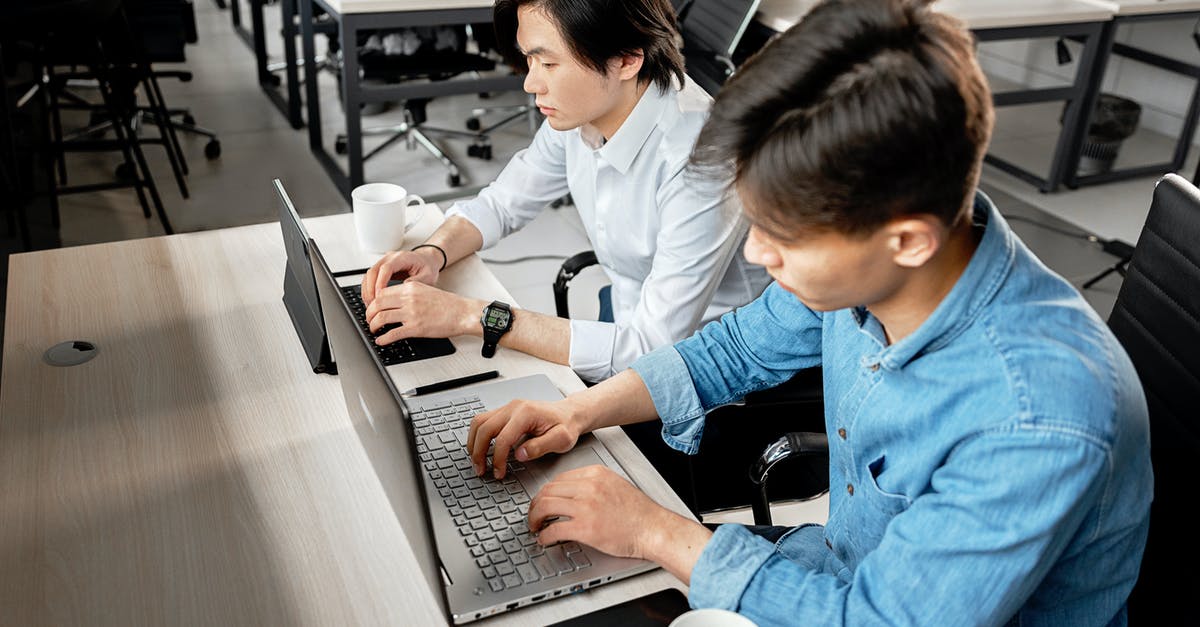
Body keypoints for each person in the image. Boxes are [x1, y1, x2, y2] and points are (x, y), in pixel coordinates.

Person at [465, 0, 1154, 624]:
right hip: (836, 570)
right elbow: (731, 348)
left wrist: (657, 532)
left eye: (784, 236)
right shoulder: (876, 266)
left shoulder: (1035, 416)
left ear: (907, 238)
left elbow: (880, 622)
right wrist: (577, 411)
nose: (760, 255)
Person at [360, 0, 769, 383]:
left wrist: (473, 316)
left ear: (626, 59)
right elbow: (503, 203)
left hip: (703, 373)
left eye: (549, 63)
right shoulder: (586, 110)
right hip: (623, 321)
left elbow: (651, 349)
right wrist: (433, 253)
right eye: (529, 59)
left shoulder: (700, 160)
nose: (531, 83)